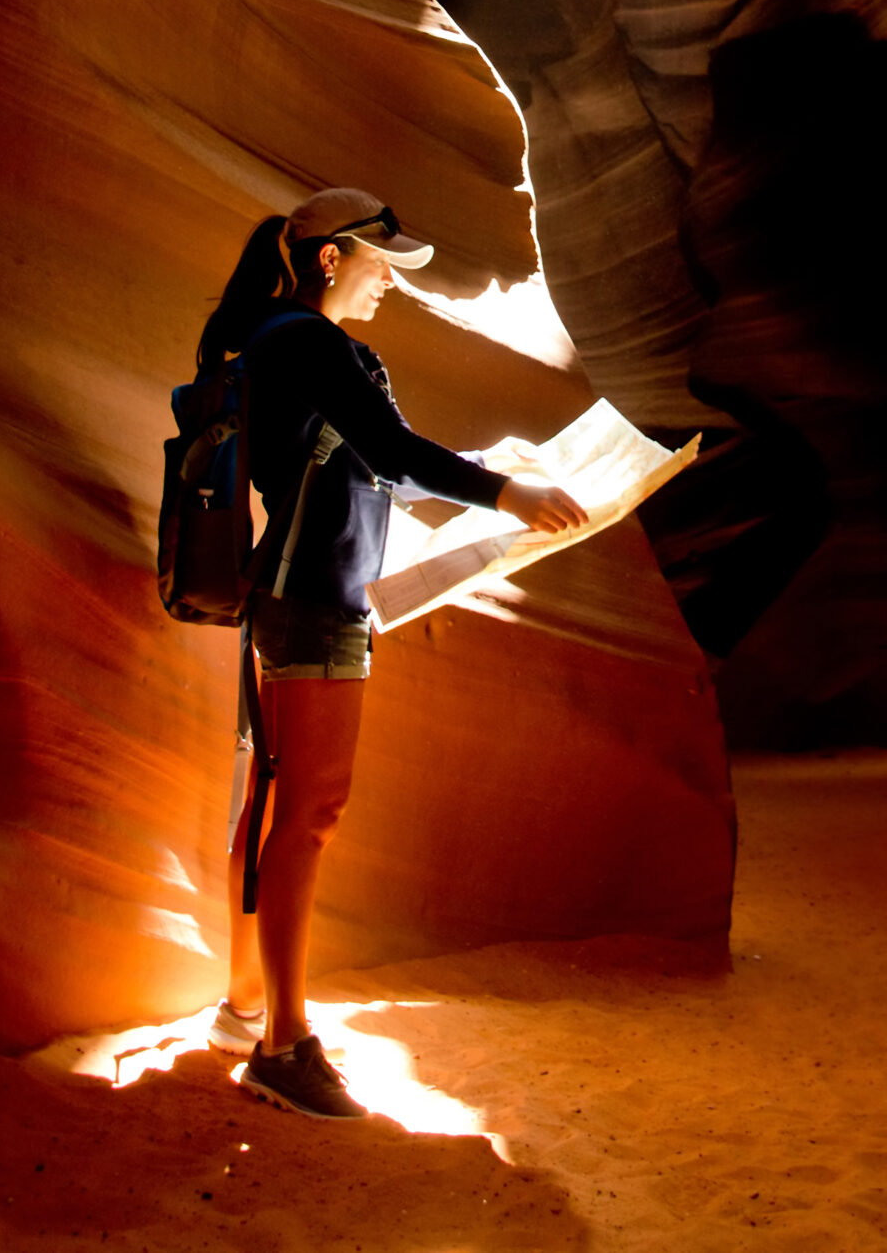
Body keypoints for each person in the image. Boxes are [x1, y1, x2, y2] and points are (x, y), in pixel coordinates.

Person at [198, 187, 586, 1119]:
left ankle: (246, 1008)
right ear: (331, 259)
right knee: (309, 812)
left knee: (277, 804)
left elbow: (382, 468)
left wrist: (497, 476)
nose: (390, 285)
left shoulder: (296, 342)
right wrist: (506, 494)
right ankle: (282, 1044)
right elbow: (394, 453)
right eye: (380, 266)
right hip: (312, 604)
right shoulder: (301, 339)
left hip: (297, 598)